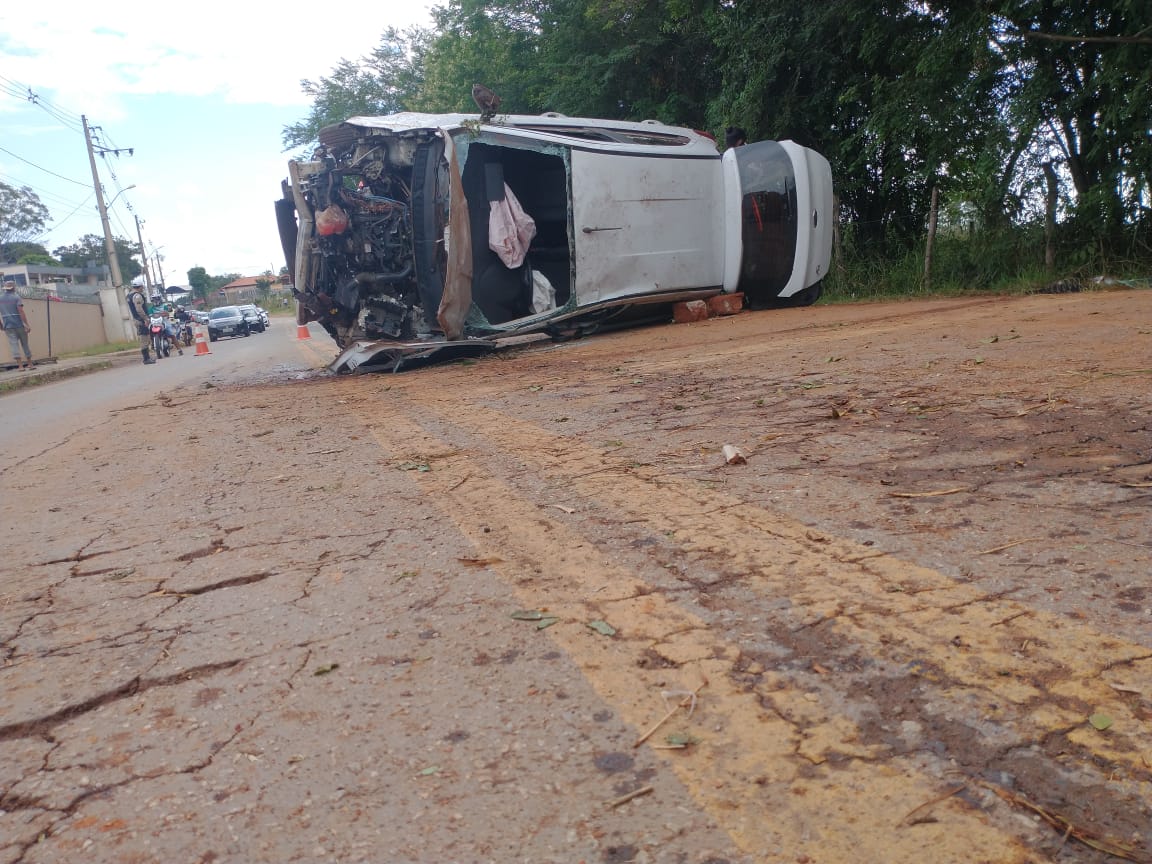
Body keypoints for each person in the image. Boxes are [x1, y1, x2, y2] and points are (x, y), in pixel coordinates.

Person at [1, 280, 34, 370]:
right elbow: (21, 311)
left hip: (8, 326)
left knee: (13, 345)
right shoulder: (16, 297)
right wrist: (26, 324)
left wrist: (1, 325)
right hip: (19, 325)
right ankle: (30, 364)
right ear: (14, 288)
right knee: (25, 344)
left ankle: (20, 366)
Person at [126, 285, 156, 364]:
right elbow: (139, 309)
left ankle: (147, 357)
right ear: (139, 287)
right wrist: (145, 318)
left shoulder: (129, 295)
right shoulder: (137, 296)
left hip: (137, 319)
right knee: (144, 339)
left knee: (144, 338)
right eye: (142, 287)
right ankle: (146, 359)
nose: (143, 289)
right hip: (141, 320)